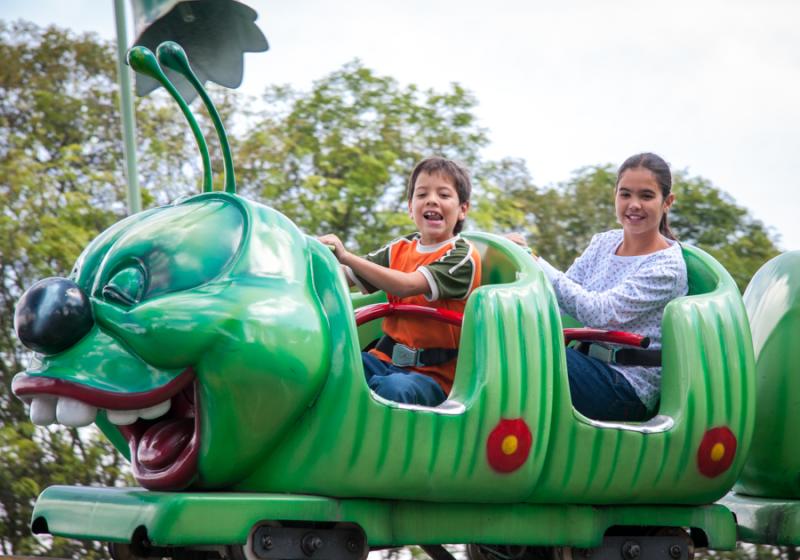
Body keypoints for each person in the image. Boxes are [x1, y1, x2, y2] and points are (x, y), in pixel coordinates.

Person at [510, 152, 688, 421]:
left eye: (646, 196)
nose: (634, 204)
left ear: (667, 202)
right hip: (586, 365)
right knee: (505, 344)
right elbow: (557, 298)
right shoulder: (604, 243)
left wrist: (534, 260)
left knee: (531, 356)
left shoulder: (666, 268)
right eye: (625, 194)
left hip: (626, 385)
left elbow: (601, 313)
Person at [319, 156, 482, 407]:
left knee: (393, 389)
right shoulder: (400, 247)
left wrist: (346, 255)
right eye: (422, 194)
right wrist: (318, 259)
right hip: (384, 358)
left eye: (444, 195)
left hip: (432, 375)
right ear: (410, 207)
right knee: (329, 366)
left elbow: (405, 285)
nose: (431, 200)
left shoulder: (462, 255)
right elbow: (346, 275)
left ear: (462, 209)